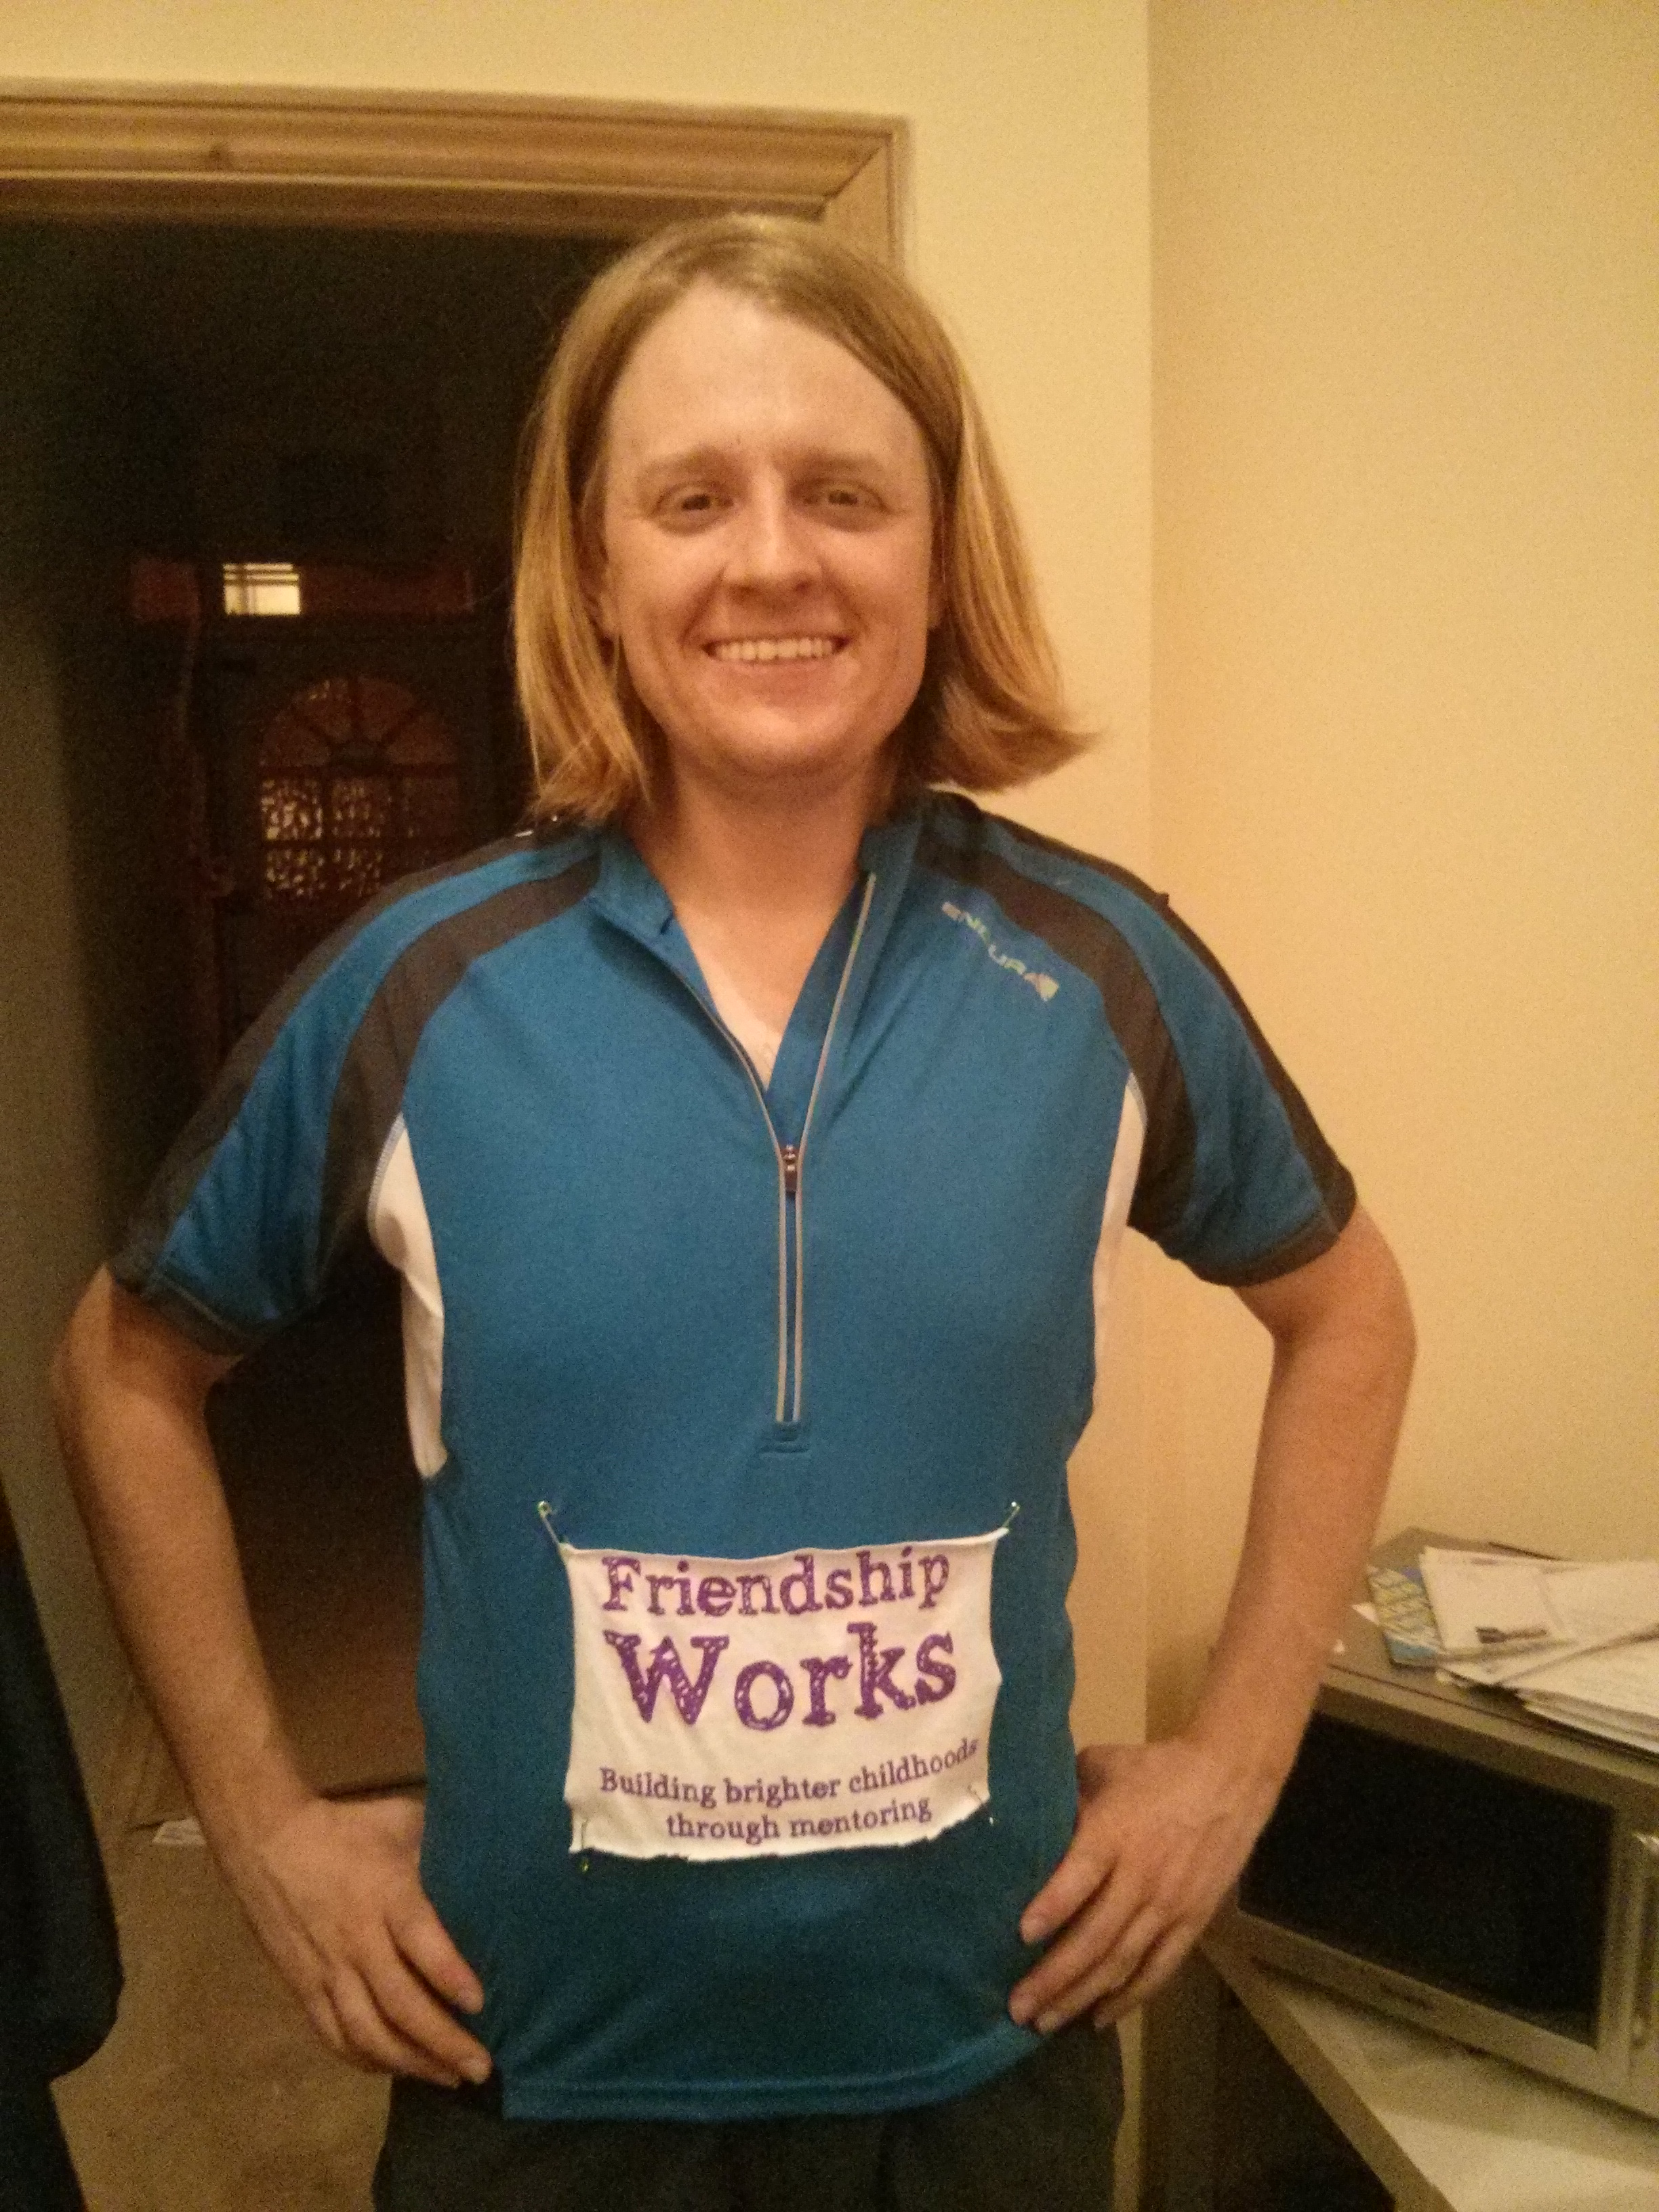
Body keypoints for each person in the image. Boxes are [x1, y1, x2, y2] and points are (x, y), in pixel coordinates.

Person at [52, 214, 1414, 2209]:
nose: (771, 559)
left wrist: (1233, 1770)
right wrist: (260, 1826)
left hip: (980, 2065)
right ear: (597, 570)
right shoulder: (417, 989)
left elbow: (1351, 1315)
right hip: (543, 2078)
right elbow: (122, 1372)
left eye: (844, 494)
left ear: (939, 555)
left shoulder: (1103, 971)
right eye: (692, 498)